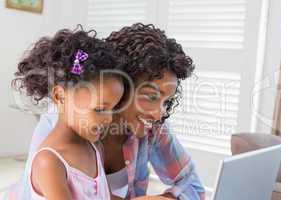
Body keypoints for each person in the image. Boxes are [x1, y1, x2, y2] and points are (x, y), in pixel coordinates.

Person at [23, 23, 206, 200]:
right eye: (151, 96)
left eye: (166, 101)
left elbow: (193, 184)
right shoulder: (57, 133)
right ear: (122, 85)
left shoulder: (151, 126)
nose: (159, 114)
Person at [10, 27, 125, 199]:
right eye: (100, 109)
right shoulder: (49, 162)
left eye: (114, 108)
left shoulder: (96, 148)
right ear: (60, 96)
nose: (109, 119)